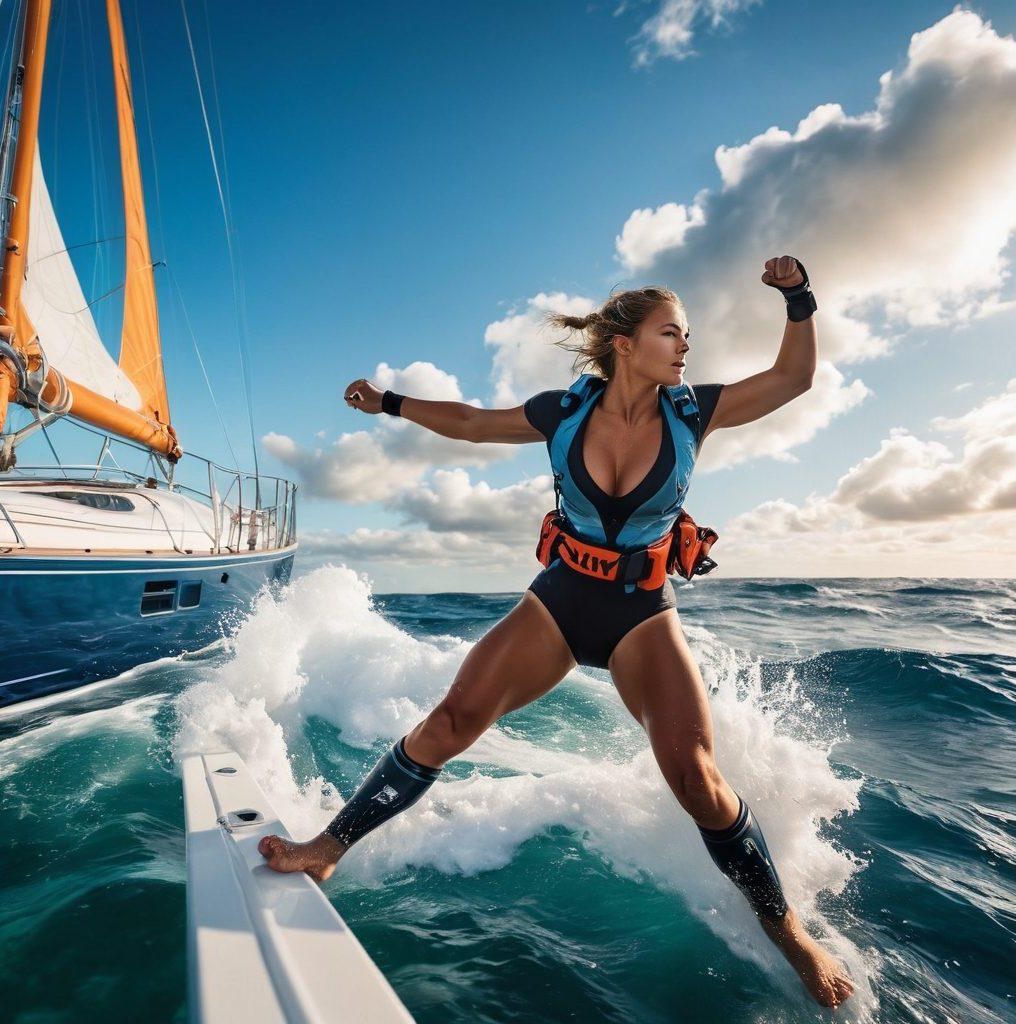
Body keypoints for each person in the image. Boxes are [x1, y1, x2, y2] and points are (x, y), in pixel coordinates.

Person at [259, 255, 854, 1009]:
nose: (685, 347)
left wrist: (797, 297)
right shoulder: (562, 412)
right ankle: (327, 848)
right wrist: (389, 403)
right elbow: (474, 425)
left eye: (688, 336)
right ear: (624, 343)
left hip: (642, 614)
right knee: (451, 720)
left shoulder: (693, 411)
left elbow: (791, 379)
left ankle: (788, 931)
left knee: (696, 779)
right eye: (671, 333)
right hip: (560, 602)